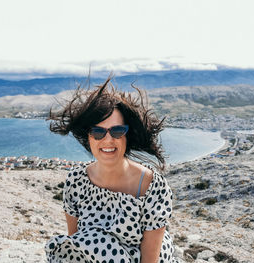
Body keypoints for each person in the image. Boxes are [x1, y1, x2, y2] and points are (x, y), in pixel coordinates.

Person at [45, 76, 178, 263]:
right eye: (98, 132)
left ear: (127, 135)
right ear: (88, 137)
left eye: (117, 131)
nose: (108, 140)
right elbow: (75, 248)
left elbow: (150, 259)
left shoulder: (152, 186)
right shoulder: (75, 181)